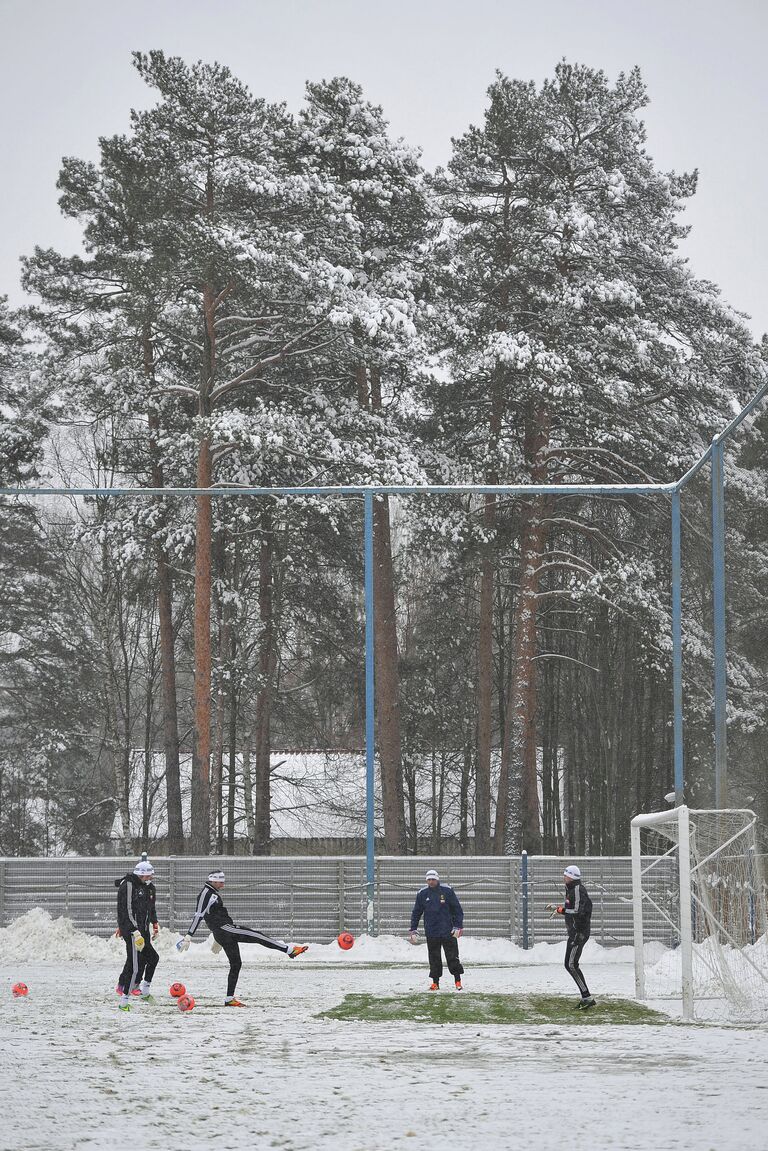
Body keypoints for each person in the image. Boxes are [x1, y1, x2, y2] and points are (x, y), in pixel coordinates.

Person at [177, 870, 309, 1006]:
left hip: (222, 932)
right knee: (257, 935)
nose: (223, 885)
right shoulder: (206, 894)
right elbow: (199, 915)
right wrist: (189, 936)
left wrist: (217, 938)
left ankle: (229, 999)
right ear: (213, 881)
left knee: (236, 964)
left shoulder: (212, 893)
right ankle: (289, 950)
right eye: (221, 882)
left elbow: (211, 916)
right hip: (225, 929)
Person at [409, 868, 465, 991]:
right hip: (432, 932)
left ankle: (457, 981)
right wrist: (413, 929)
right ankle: (435, 983)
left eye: (433, 879)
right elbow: (416, 912)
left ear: (437, 879)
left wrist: (458, 926)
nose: (431, 881)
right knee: (434, 958)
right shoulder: (422, 893)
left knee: (452, 956)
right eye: (429, 879)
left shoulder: (447, 891)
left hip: (448, 931)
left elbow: (457, 910)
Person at [115, 859, 160, 1009]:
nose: (151, 878)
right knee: (134, 966)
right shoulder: (128, 885)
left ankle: (144, 992)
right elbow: (125, 910)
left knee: (152, 958)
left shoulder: (148, 887)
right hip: (133, 932)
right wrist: (133, 930)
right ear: (142, 875)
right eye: (149, 876)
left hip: (143, 931)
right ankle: (124, 1001)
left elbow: (150, 908)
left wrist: (154, 923)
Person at [555, 864, 595, 1009]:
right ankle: (586, 996)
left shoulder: (577, 889)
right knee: (570, 964)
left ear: (571, 876)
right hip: (575, 933)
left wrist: (562, 911)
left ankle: (587, 998)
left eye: (566, 874)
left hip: (579, 933)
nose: (563, 877)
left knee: (571, 964)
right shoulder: (571, 889)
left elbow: (578, 911)